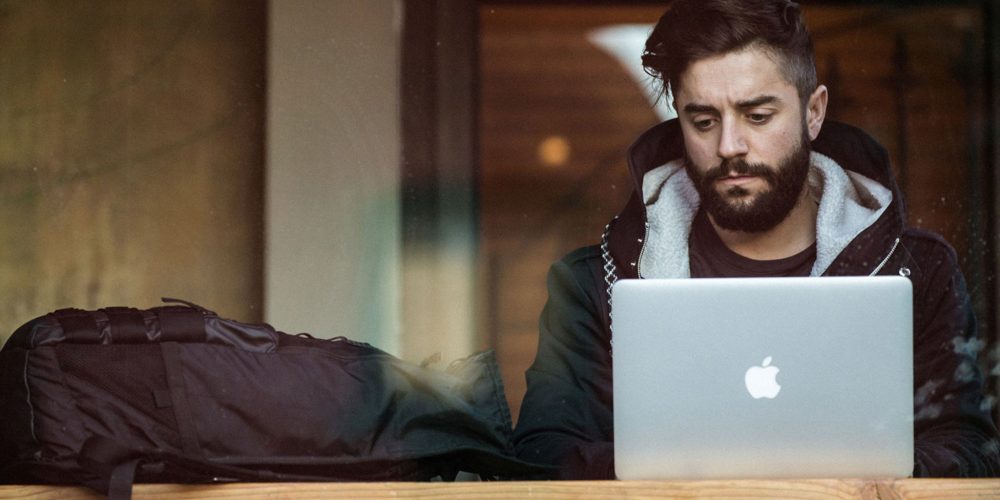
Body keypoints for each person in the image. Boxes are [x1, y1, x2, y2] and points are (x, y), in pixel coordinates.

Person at [512, 0, 999, 479]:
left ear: (813, 112)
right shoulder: (596, 284)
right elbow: (542, 453)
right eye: (704, 122)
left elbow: (969, 447)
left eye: (758, 116)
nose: (729, 147)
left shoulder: (917, 272)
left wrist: (858, 477)